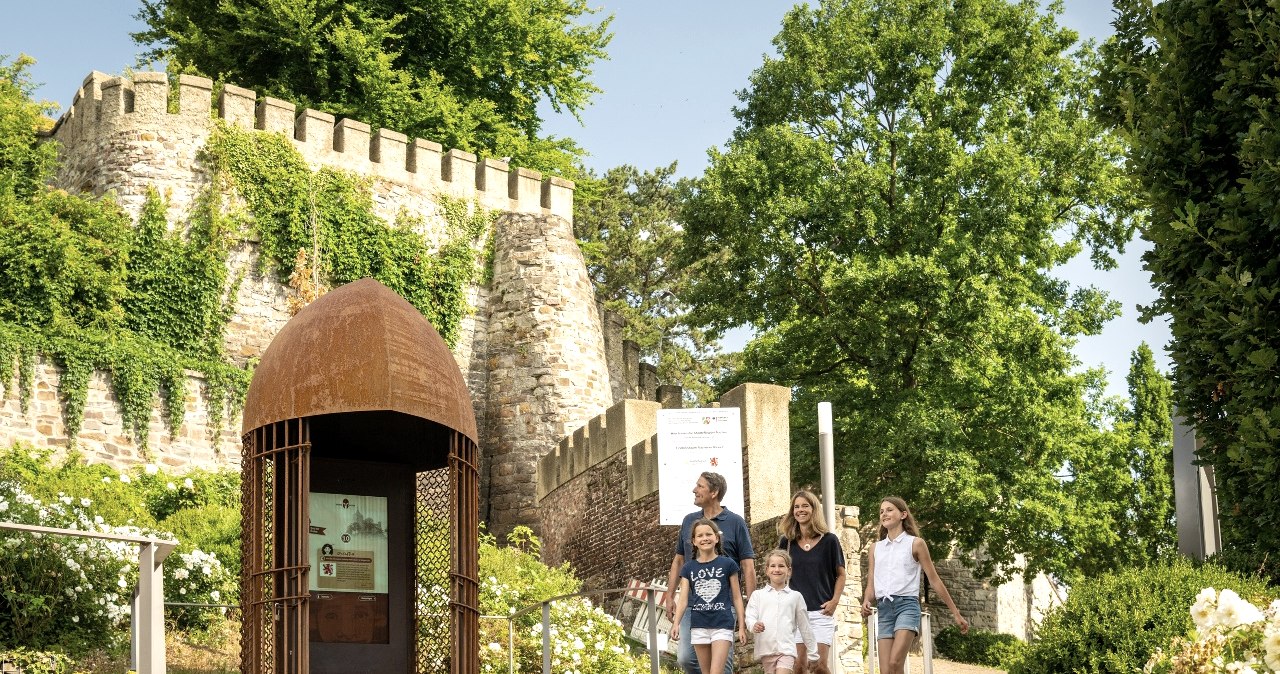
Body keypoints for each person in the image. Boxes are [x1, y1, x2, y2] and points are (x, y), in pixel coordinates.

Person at [860, 496, 969, 674]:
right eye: (881, 511)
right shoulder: (875, 548)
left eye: (889, 510)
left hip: (907, 607)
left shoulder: (916, 543)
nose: (884, 514)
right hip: (884, 608)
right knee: (886, 670)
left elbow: (934, 579)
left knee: (896, 663)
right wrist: (866, 600)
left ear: (903, 514)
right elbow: (871, 581)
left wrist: (956, 613)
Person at [666, 471, 757, 674]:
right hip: (692, 605)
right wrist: (670, 595)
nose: (694, 490)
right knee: (686, 658)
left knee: (722, 667)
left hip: (724, 605)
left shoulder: (735, 522)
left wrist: (753, 604)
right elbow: (679, 560)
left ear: (714, 492)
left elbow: (748, 566)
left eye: (700, 486)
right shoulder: (689, 521)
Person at [775, 490, 844, 674]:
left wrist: (835, 601)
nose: (800, 510)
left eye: (805, 505)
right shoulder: (786, 542)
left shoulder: (830, 541)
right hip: (795, 612)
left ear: (814, 509)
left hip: (821, 612)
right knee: (798, 666)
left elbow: (841, 574)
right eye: (796, 507)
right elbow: (777, 573)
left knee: (819, 666)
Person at [671, 518, 747, 674]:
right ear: (693, 541)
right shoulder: (688, 568)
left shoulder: (728, 564)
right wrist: (676, 623)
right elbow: (684, 599)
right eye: (699, 536)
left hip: (722, 624)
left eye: (708, 534)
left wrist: (741, 625)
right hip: (699, 625)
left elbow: (737, 597)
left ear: (716, 538)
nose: (704, 538)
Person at [745, 549, 819, 674]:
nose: (777, 569)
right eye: (773, 566)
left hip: (787, 650)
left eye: (781, 566)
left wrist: (813, 654)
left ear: (789, 571)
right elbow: (750, 617)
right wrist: (753, 625)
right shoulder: (757, 595)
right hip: (765, 649)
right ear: (767, 570)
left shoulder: (796, 597)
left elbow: (805, 627)